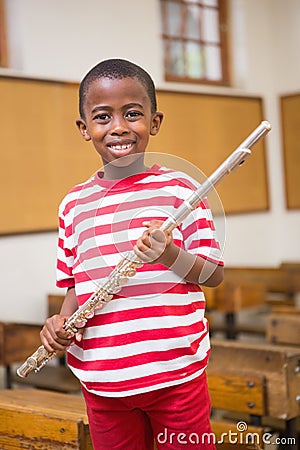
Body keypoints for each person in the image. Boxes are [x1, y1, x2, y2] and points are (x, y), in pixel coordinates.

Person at [40, 58, 224, 450]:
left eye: (133, 114)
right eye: (103, 117)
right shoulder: (72, 204)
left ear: (154, 122)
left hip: (176, 374)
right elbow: (76, 286)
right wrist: (60, 322)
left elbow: (213, 275)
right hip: (102, 380)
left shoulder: (182, 191)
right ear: (84, 128)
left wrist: (169, 253)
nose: (119, 127)